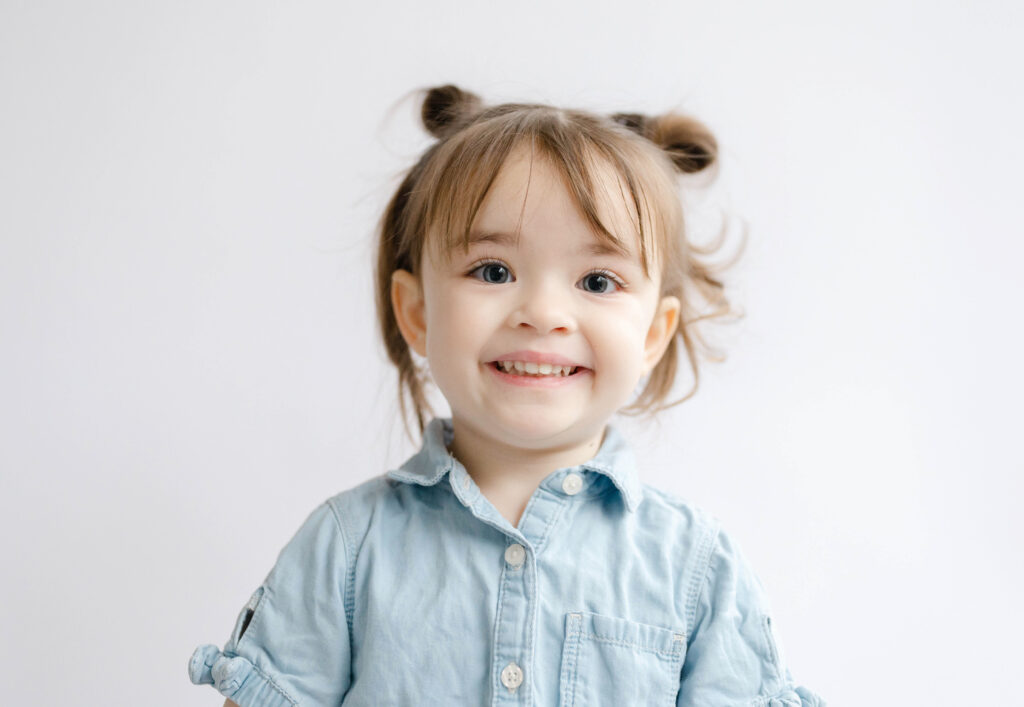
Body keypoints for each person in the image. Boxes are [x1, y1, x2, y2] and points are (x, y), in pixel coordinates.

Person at [188, 85, 825, 705]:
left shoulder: (697, 567)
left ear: (654, 334)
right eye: (493, 271)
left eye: (598, 280)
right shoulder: (345, 551)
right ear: (417, 313)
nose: (544, 312)